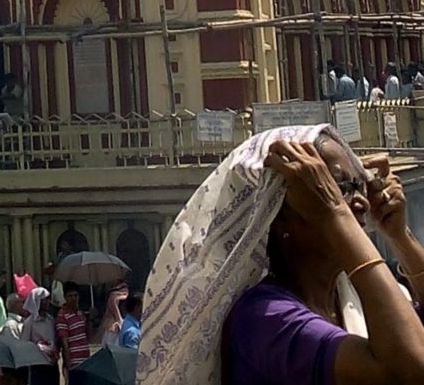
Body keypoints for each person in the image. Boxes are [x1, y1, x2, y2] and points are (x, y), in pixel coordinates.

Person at [136, 124, 424, 385]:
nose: (360, 201)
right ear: (279, 216)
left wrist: (400, 236)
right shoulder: (263, 317)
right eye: (337, 188)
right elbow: (408, 370)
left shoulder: (350, 297)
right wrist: (336, 213)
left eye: (358, 185)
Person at [55, 285, 89, 375]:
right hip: (73, 362)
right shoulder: (62, 315)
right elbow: (64, 343)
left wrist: (91, 319)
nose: (74, 298)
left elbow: (87, 336)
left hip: (85, 360)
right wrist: (69, 365)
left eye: (76, 295)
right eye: (70, 296)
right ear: (65, 297)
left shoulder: (80, 313)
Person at [20, 288, 55, 360]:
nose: (48, 302)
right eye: (45, 299)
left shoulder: (50, 320)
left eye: (48, 299)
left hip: (51, 360)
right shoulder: (29, 323)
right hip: (37, 361)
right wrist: (39, 347)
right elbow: (24, 344)